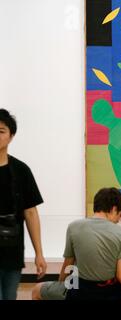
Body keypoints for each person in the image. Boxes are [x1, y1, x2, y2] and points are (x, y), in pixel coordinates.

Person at [61, 187, 121, 300]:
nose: (118, 220)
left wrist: (61, 289)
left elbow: (68, 265)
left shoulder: (73, 227)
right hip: (108, 293)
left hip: (80, 293)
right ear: (114, 209)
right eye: (119, 215)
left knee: (38, 290)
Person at [0, 109, 47, 300]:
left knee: (10, 296)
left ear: (11, 136)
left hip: (12, 251)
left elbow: (31, 214)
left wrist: (39, 253)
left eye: (1, 131)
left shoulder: (21, 170)